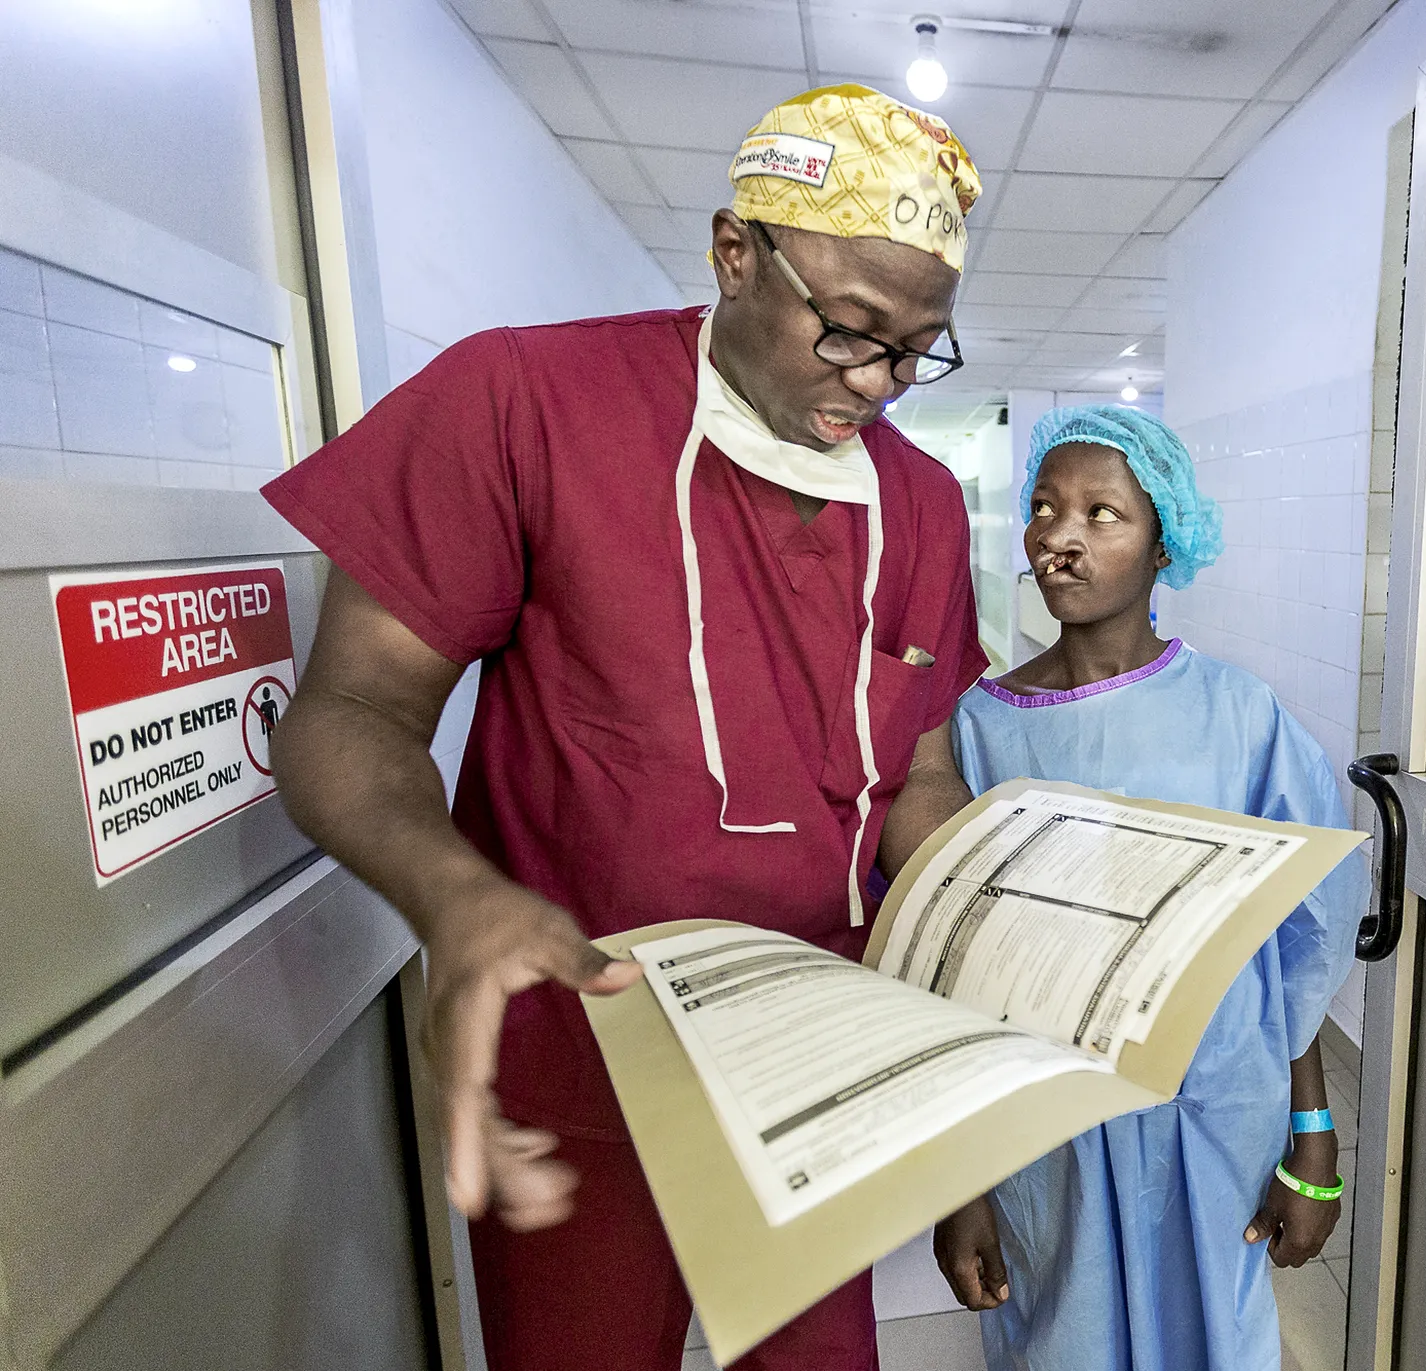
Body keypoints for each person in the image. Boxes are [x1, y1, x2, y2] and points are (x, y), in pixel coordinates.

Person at [263, 85, 988, 1371]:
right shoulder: (526, 403)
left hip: (818, 1071)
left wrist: (1002, 915)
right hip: (583, 1059)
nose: (877, 384)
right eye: (848, 333)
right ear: (733, 254)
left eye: (917, 349)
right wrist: (457, 899)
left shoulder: (922, 506)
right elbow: (352, 712)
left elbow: (917, 773)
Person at [933, 405, 1366, 1371]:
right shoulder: (977, 732)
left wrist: (1311, 1135)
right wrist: (962, 1186)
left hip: (1211, 1111)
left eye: (1102, 513)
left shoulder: (1238, 717)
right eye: (1045, 510)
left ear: (1164, 541)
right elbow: (946, 969)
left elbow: (1295, 942)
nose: (1061, 537)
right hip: (1043, 1136)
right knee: (1063, 1339)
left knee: (1211, 1333)